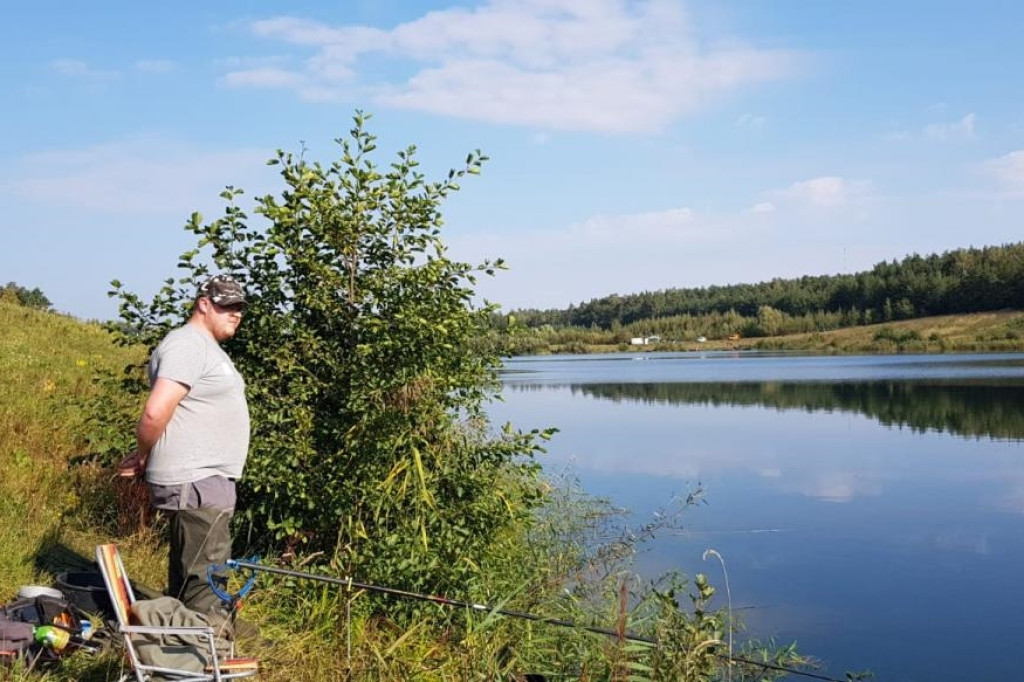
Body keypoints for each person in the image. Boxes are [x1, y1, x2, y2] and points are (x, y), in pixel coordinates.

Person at [117, 274, 250, 624]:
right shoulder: (187, 344)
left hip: (205, 479)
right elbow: (155, 411)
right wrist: (143, 454)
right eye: (225, 306)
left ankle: (171, 646)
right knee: (206, 581)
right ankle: (202, 659)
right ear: (203, 304)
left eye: (238, 307)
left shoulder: (204, 348)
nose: (234, 313)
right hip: (197, 480)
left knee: (192, 574)